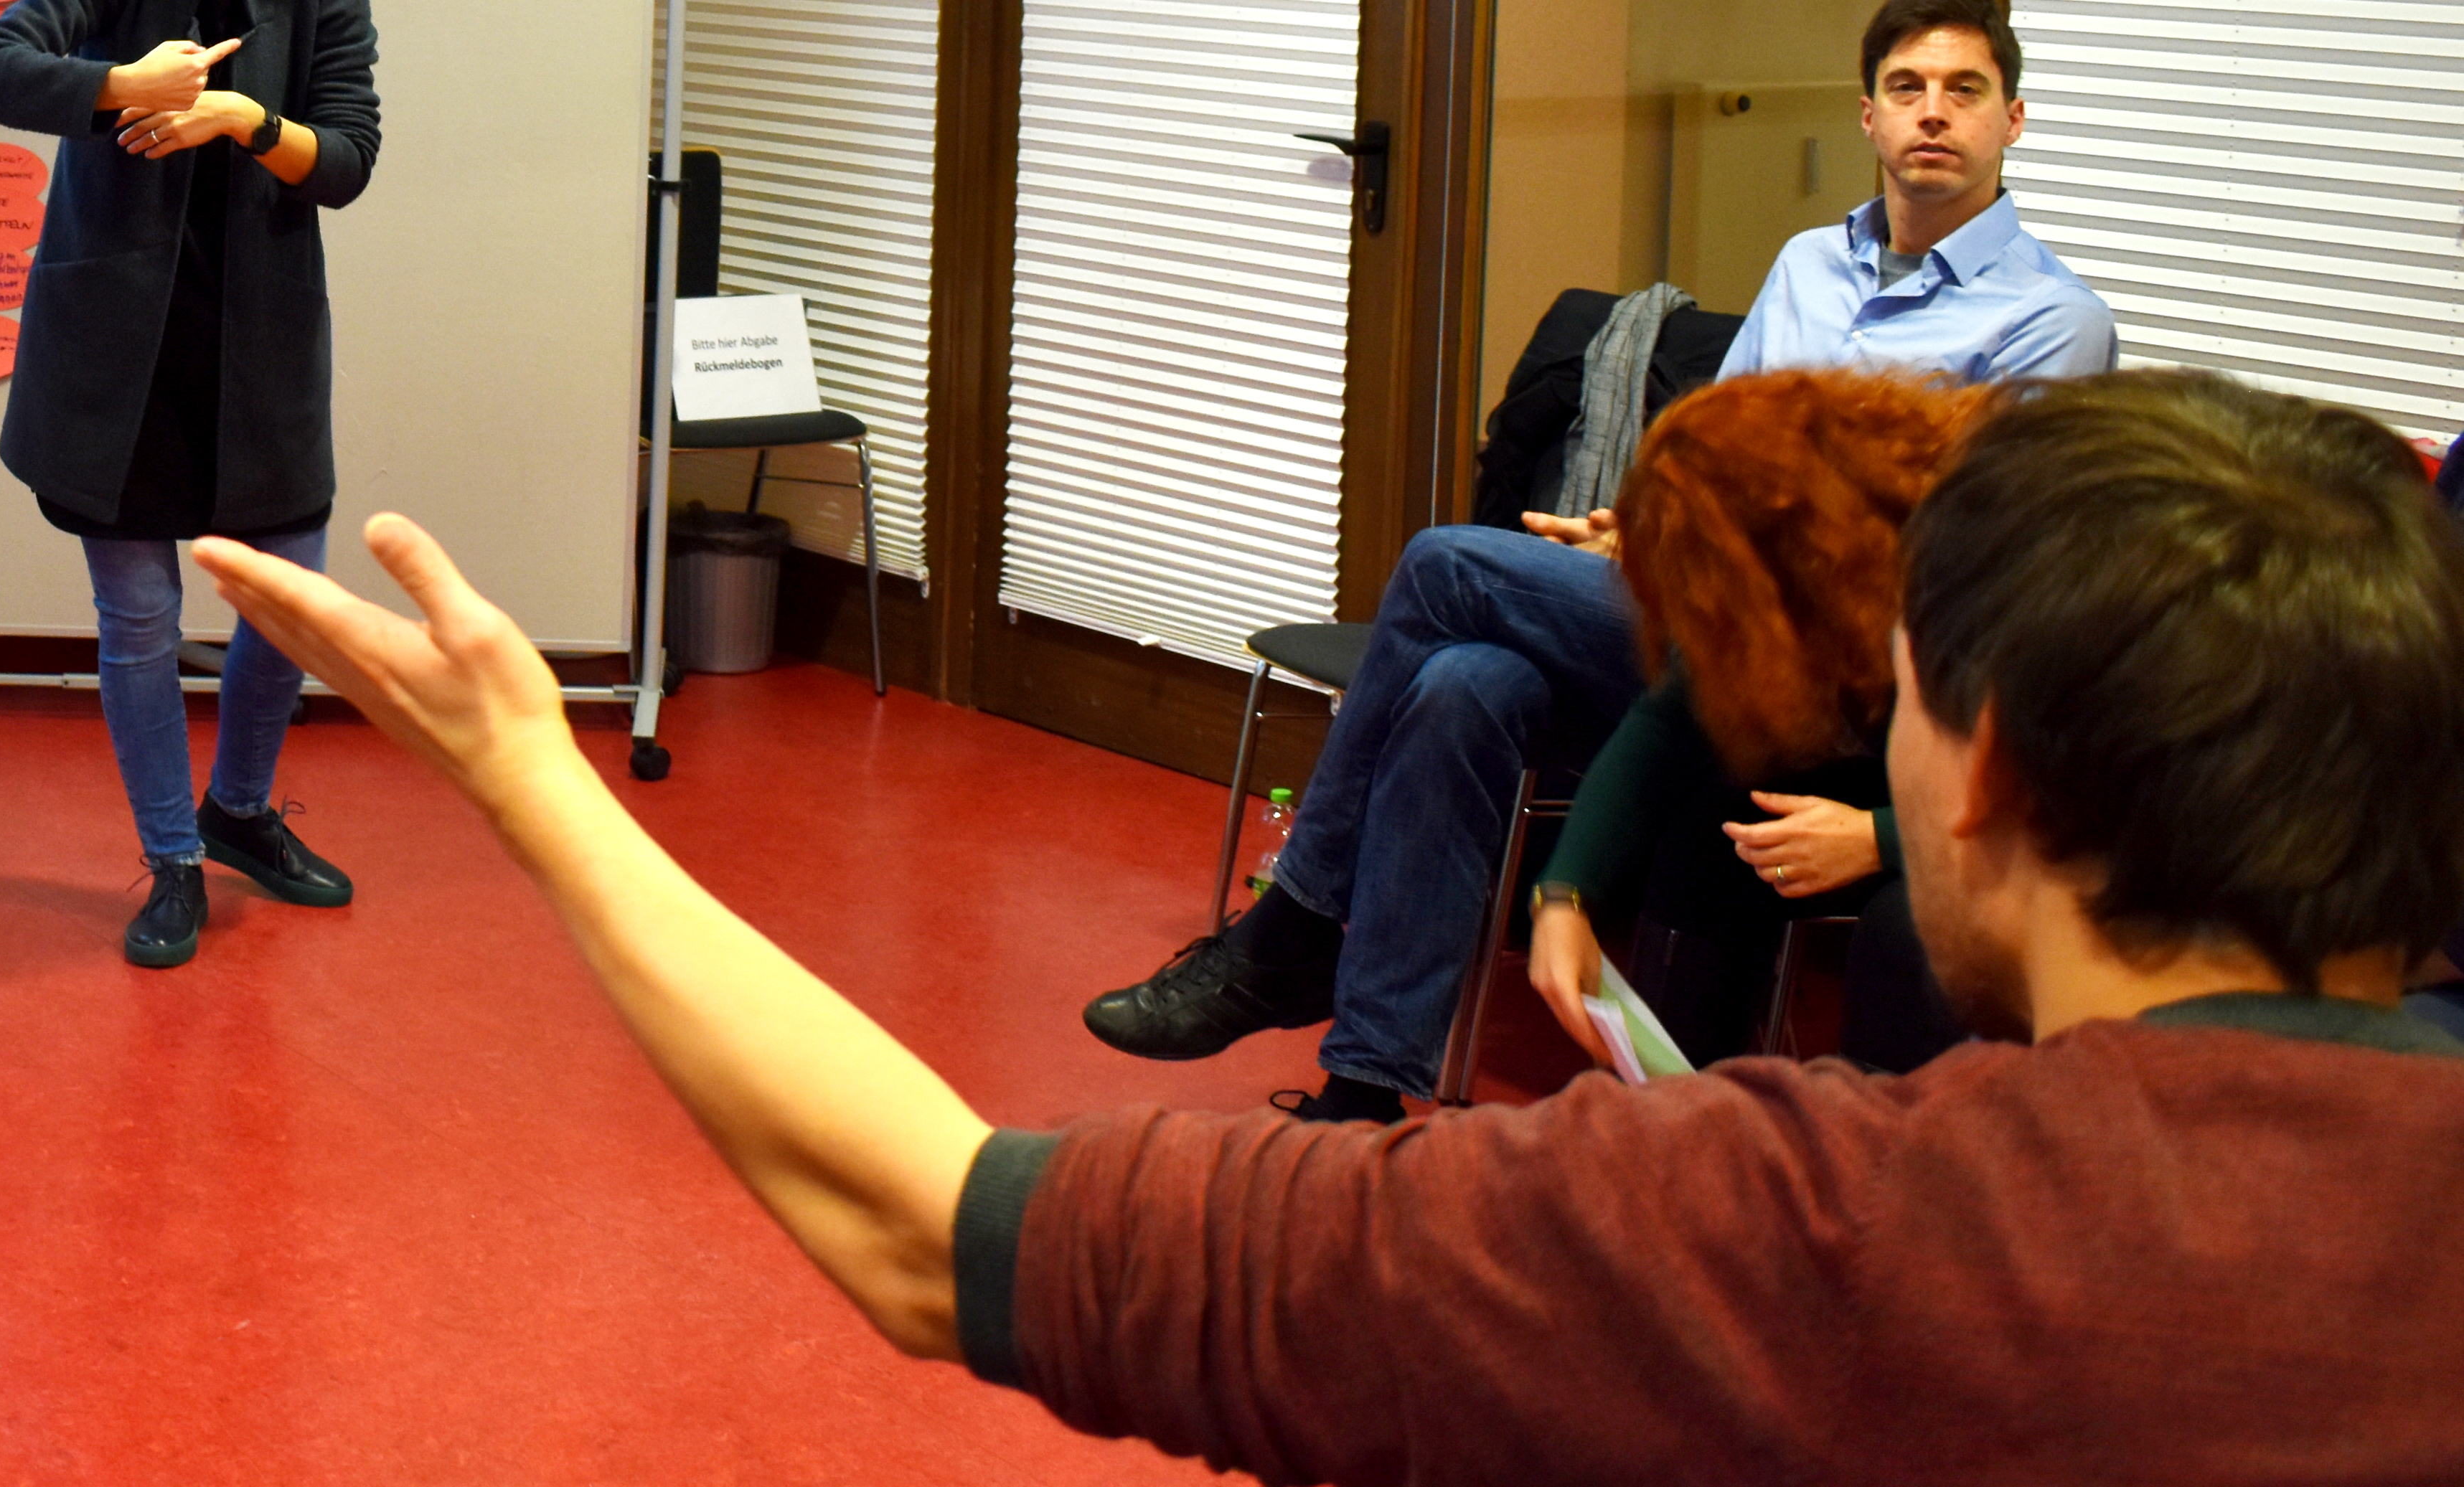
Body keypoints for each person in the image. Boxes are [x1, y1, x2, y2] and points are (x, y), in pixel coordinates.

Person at [197, 369, 2464, 1484]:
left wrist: (521, 771)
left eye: (1892, 705)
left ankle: (1299, 936)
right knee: (1472, 657)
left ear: (1990, 781)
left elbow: (925, 1225)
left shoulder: (1793, 1225)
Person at [1082, 0, 2117, 1121]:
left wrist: (1725, 534)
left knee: (1441, 563)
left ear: (2010, 120)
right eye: (1905, 88)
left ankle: (1292, 928)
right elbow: (1718, 467)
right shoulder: (1805, 264)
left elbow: (1947, 566)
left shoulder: (2052, 322)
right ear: (1865, 116)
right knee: (1460, 683)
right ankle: (1364, 1083)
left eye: (1963, 91)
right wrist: (1644, 524)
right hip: (1705, 623)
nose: (1932, 112)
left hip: (1845, 678)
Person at [0, 0, 382, 968]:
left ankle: (240, 811)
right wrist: (123, 87)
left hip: (255, 335)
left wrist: (237, 118)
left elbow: (346, 160)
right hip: (118, 346)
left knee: (287, 605)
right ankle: (173, 858)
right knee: (137, 620)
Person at [1521, 369, 1984, 1074]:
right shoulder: (1806, 563)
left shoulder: (1981, 560)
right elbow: (1671, 719)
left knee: (1905, 928)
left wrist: (1879, 837)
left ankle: (1879, 1163)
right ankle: (1685, 1114)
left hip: (2040, 819)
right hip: (1919, 788)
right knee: (1713, 833)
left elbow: (2073, 786)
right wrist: (1564, 896)